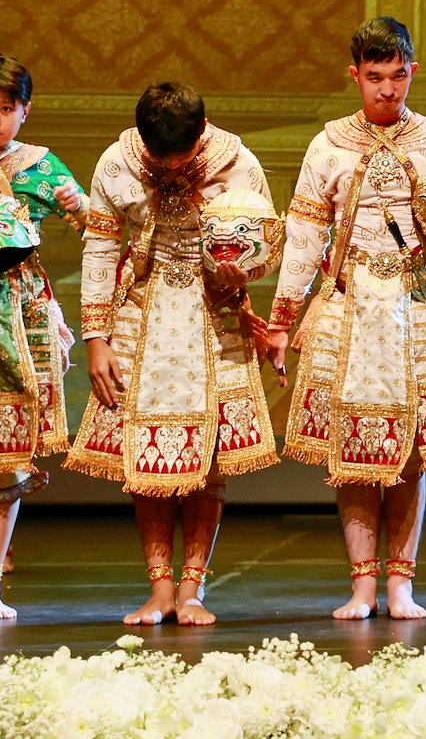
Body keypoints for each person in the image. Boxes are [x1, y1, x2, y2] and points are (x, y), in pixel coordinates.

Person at [266, 18, 426, 620]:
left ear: (411, 71)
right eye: (375, 78)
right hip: (349, 305)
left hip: (415, 305)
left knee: (410, 454)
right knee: (352, 450)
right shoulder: (330, 145)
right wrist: (282, 319)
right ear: (355, 76)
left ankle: (401, 584)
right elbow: (304, 236)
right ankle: (363, 584)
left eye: (397, 76)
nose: (388, 90)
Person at [67, 83, 282, 625]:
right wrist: (96, 339)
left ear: (201, 131)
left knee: (208, 460)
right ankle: (160, 587)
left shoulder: (236, 163)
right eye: (158, 158)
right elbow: (100, 248)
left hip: (213, 313)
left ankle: (192, 589)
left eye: (179, 158)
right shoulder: (118, 162)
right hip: (141, 312)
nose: (167, 168)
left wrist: (244, 272)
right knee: (145, 455)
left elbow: (267, 246)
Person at [0, 55, 85, 617]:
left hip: (15, 315)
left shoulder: (38, 166)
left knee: (4, 453)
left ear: (25, 112)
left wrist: (79, 205)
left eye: (6, 108)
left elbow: (96, 222)